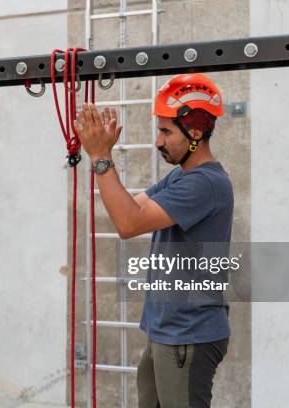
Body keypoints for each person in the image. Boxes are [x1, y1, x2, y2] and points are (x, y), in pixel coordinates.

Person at [74, 73, 233, 408]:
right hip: (167, 332)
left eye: (166, 131)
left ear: (196, 133)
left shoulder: (205, 184)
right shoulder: (181, 177)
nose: (158, 142)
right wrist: (101, 155)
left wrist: (101, 158)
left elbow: (128, 223)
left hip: (188, 336)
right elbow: (133, 209)